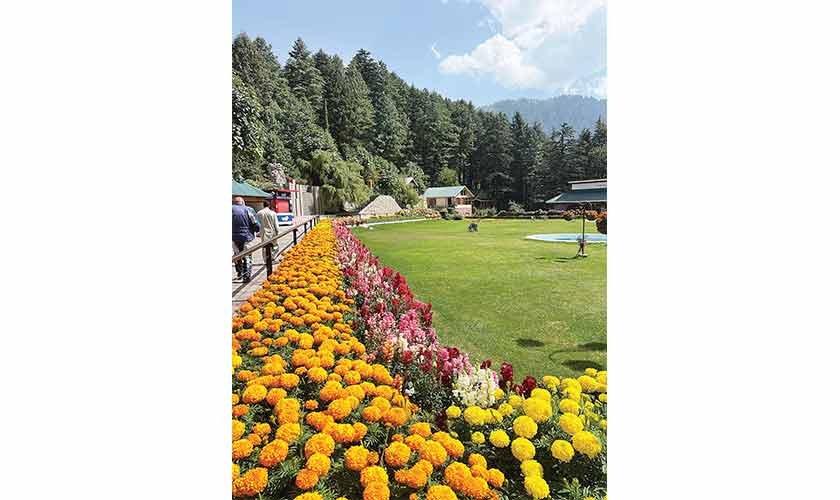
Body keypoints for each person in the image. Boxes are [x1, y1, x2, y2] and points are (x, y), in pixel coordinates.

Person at [232, 197, 259, 281]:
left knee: (237, 255)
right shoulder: (248, 209)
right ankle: (246, 276)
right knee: (247, 256)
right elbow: (255, 224)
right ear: (243, 202)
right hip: (247, 236)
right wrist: (256, 230)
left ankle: (239, 273)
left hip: (233, 237)